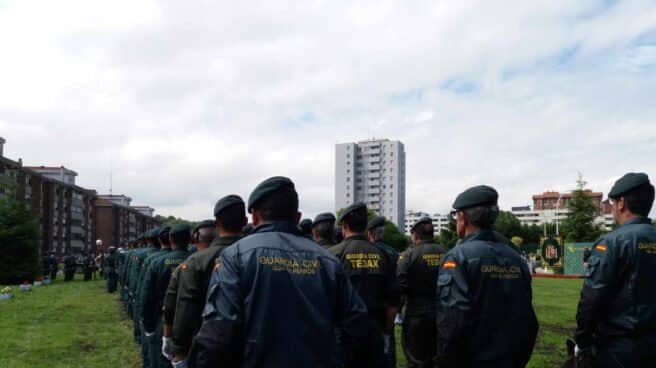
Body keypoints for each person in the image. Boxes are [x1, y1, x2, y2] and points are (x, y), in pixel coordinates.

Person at [191, 176, 370, 368]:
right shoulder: (327, 261)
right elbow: (358, 326)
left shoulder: (235, 257)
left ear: (254, 217)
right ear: (297, 217)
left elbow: (218, 335)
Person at [436, 185, 538, 368]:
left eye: (456, 215)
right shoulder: (516, 258)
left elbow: (454, 320)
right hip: (511, 359)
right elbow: (527, 317)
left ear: (463, 217)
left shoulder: (458, 257)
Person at [574, 173, 656, 367]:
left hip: (621, 348)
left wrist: (583, 340)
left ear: (621, 203)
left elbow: (592, 298)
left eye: (611, 203)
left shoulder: (612, 243)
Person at [168, 196, 246, 367]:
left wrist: (179, 349)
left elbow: (186, 308)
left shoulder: (196, 261)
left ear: (217, 224)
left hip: (206, 348)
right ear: (246, 221)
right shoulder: (254, 255)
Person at [330, 203, 400, 368]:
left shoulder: (333, 255)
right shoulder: (384, 255)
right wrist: (386, 332)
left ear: (344, 226)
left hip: (342, 334)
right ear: (365, 227)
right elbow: (393, 300)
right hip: (374, 332)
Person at [162, 220, 217, 365]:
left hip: (198, 339)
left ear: (195, 238)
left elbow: (182, 306)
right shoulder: (243, 255)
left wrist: (178, 348)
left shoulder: (192, 263)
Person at [396, 216, 447, 368]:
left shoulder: (408, 256)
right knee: (438, 358)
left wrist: (398, 310)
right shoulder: (447, 253)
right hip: (442, 314)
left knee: (416, 360)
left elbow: (400, 285)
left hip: (416, 316)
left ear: (415, 235)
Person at [141, 224, 190, 368]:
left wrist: (148, 326)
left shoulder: (157, 262)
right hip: (190, 323)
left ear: (170, 238)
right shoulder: (196, 260)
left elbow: (147, 296)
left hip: (162, 320)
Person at [367, 216, 400, 368]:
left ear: (371, 233)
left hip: (370, 309)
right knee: (388, 349)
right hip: (388, 310)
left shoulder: (369, 251)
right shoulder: (393, 252)